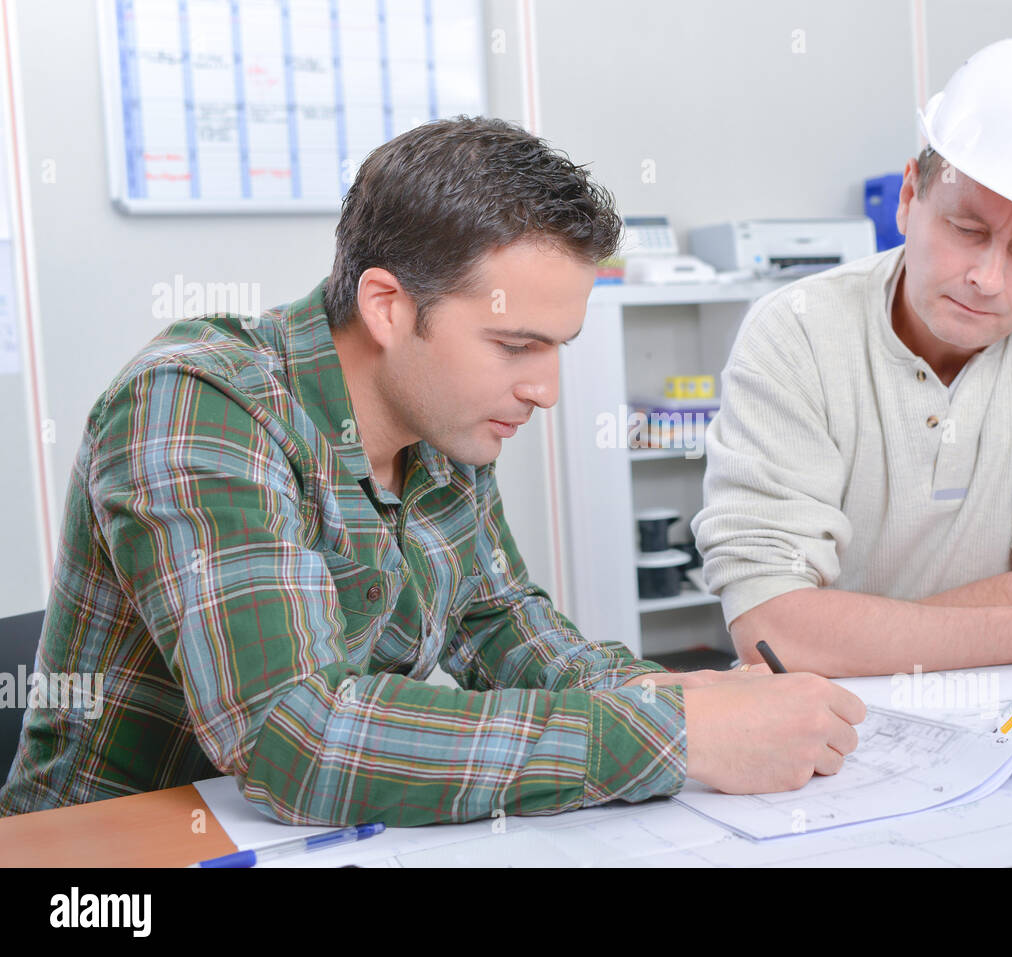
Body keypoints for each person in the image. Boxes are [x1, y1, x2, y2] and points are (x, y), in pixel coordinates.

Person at [0, 117, 865, 824]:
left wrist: (672, 692)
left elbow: (502, 624)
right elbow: (294, 738)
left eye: (558, 348)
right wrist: (671, 734)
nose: (546, 389)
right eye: (515, 345)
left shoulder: (441, 421)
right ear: (387, 306)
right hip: (105, 862)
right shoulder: (196, 403)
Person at [692, 37, 1012, 677]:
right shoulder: (796, 331)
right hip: (849, 725)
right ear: (910, 196)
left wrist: (841, 635)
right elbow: (773, 631)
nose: (988, 277)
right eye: (967, 230)